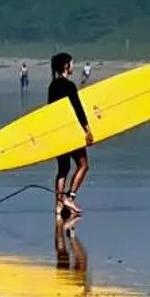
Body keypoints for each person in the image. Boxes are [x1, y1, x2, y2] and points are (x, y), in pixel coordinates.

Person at [48, 51, 93, 221]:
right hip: (71, 132)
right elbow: (78, 109)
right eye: (72, 63)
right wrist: (87, 130)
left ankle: (59, 205)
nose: (74, 66)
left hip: (57, 132)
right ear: (66, 66)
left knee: (63, 169)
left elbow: (50, 111)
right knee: (83, 164)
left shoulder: (52, 86)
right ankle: (70, 197)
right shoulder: (69, 86)